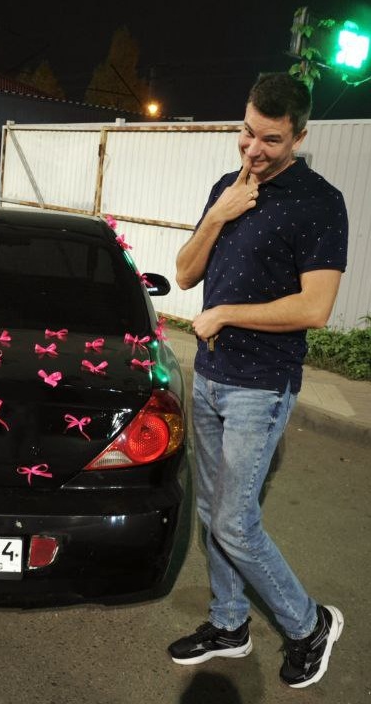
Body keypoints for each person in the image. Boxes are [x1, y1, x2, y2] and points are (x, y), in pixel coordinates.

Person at [169, 72, 348, 689]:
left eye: (270, 139)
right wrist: (217, 216)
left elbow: (315, 307)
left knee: (235, 522)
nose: (254, 149)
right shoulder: (228, 188)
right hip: (212, 376)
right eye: (247, 132)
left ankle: (310, 624)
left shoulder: (320, 202)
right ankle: (229, 624)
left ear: (299, 136)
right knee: (211, 511)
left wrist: (225, 313)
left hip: (261, 386)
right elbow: (184, 274)